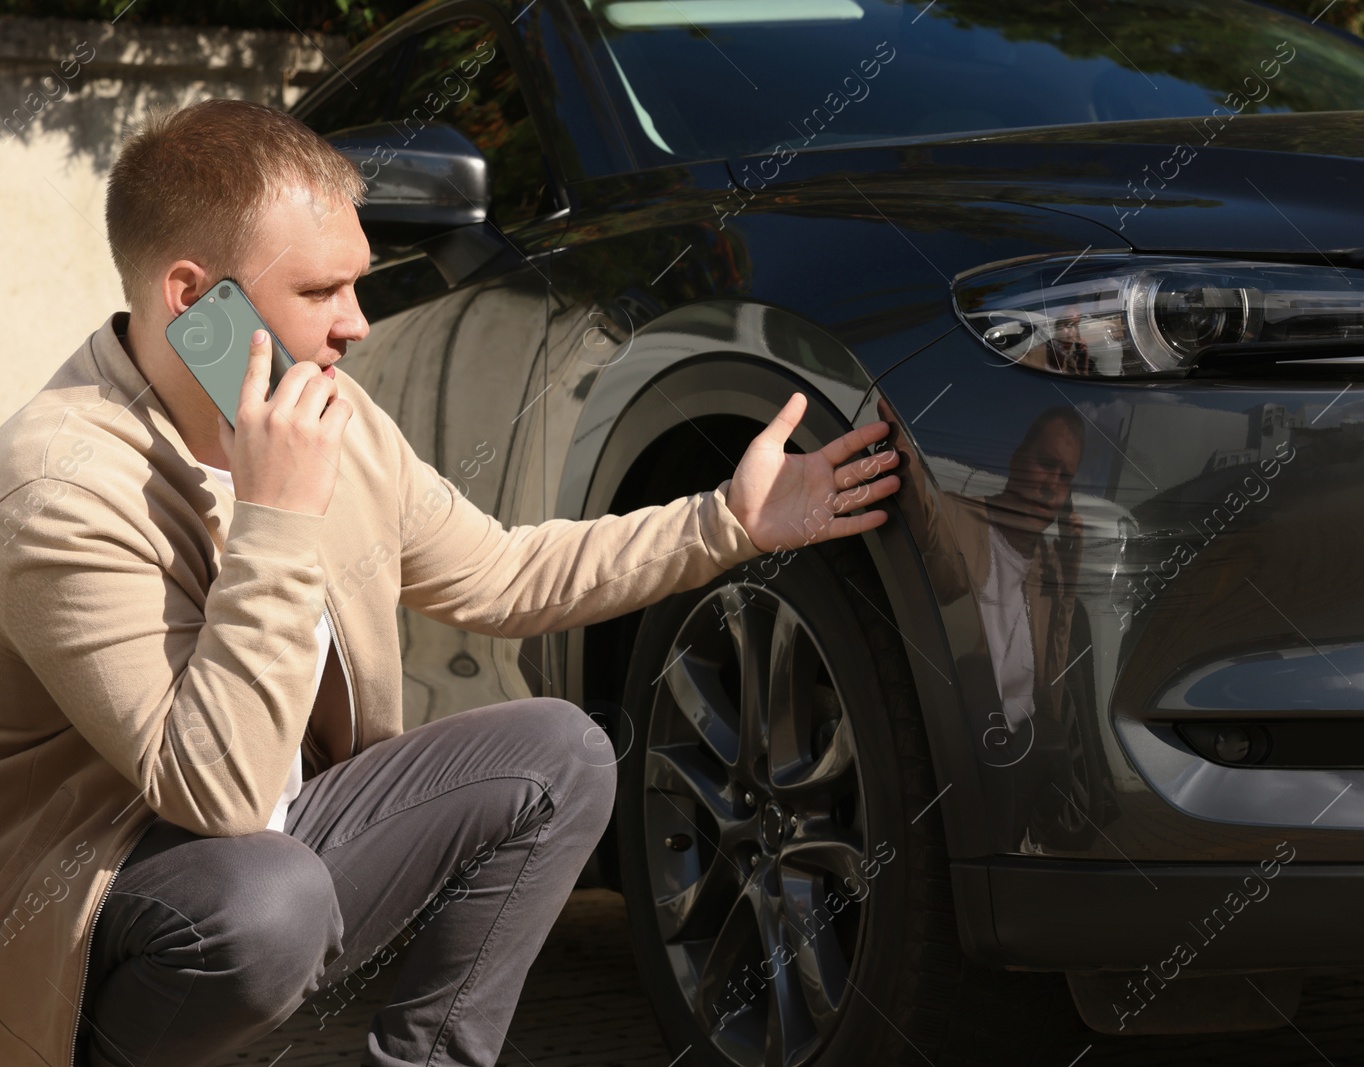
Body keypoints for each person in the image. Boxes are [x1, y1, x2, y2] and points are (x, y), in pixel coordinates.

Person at [0, 98, 902, 1067]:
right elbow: (215, 791)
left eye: (359, 283)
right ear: (193, 297)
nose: (357, 325)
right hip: (98, 910)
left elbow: (503, 574)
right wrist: (275, 516)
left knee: (561, 750)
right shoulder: (61, 483)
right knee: (265, 904)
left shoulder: (332, 422)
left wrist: (725, 520)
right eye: (319, 292)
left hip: (276, 845)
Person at [881, 397, 1113, 851]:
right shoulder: (961, 517)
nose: (1052, 486)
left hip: (1027, 770)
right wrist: (903, 462)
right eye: (1046, 465)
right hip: (968, 764)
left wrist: (1066, 582)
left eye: (1065, 477)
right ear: (1015, 459)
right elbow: (936, 556)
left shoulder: (1048, 563)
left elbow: (1052, 681)